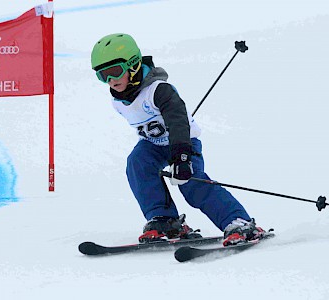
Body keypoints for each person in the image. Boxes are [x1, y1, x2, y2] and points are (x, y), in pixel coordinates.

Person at [90, 33, 266, 246]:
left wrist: (182, 156)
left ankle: (238, 222)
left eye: (115, 72)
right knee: (137, 163)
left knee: (191, 184)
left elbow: (177, 120)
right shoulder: (119, 100)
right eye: (102, 76)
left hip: (183, 142)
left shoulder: (158, 90)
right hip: (153, 146)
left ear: (133, 64)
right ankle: (164, 219)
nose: (111, 80)